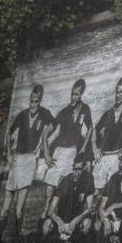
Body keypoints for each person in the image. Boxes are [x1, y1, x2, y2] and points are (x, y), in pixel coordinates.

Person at [0, 83, 54, 237]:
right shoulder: (23, 114)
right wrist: (9, 154)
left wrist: (44, 140)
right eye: (31, 101)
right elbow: (9, 133)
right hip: (17, 158)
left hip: (30, 159)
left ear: (40, 101)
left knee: (19, 207)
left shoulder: (45, 114)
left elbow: (55, 125)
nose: (33, 105)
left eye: (36, 102)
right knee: (5, 204)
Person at [43, 78, 94, 219]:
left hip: (72, 153)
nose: (73, 97)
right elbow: (46, 133)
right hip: (59, 153)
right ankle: (42, 226)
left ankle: (60, 224)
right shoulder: (64, 112)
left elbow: (90, 128)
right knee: (49, 194)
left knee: (65, 192)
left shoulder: (85, 109)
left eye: (76, 94)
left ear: (81, 94)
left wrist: (83, 148)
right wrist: (47, 154)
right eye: (72, 94)